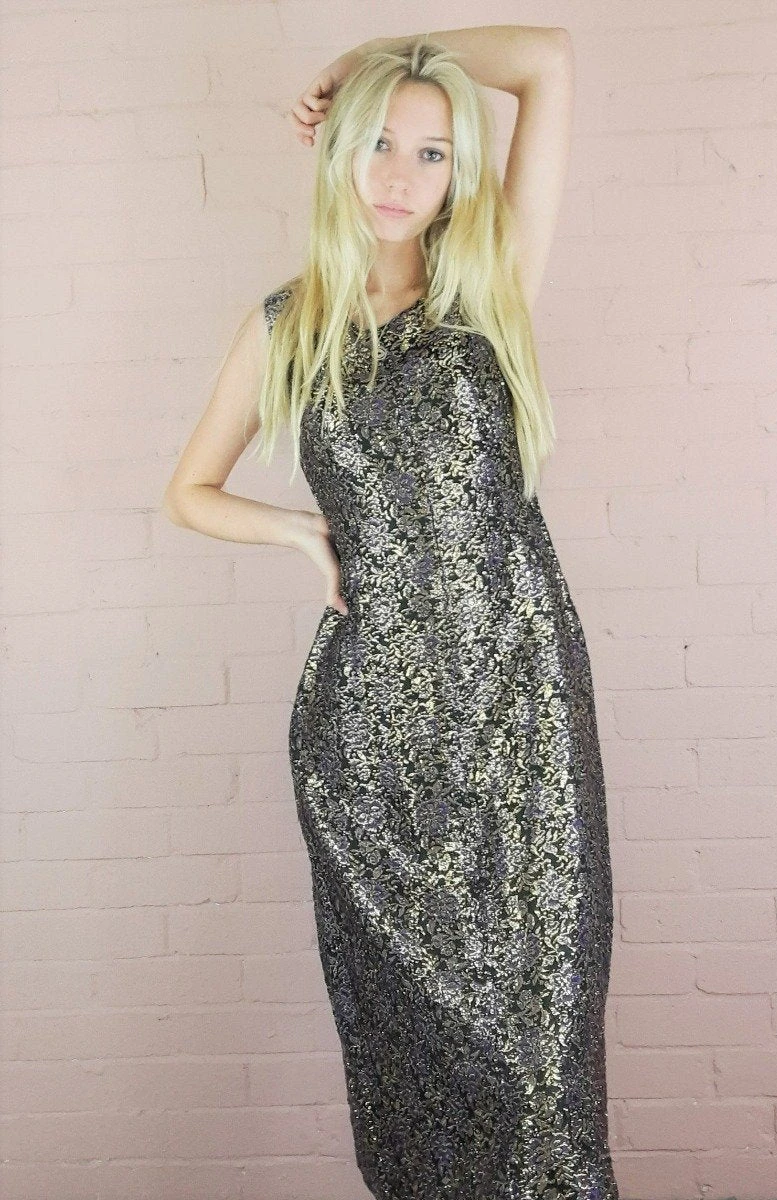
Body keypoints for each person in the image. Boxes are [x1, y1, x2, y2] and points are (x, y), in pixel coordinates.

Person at [162, 26, 619, 1200]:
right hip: (367, 744)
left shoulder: (488, 290)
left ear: (458, 173)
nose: (398, 175)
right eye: (375, 141)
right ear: (336, 155)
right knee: (417, 1080)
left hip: (520, 724)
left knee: (541, 1075)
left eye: (430, 151)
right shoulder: (287, 324)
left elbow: (546, 60)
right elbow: (188, 491)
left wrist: (370, 55)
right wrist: (295, 532)